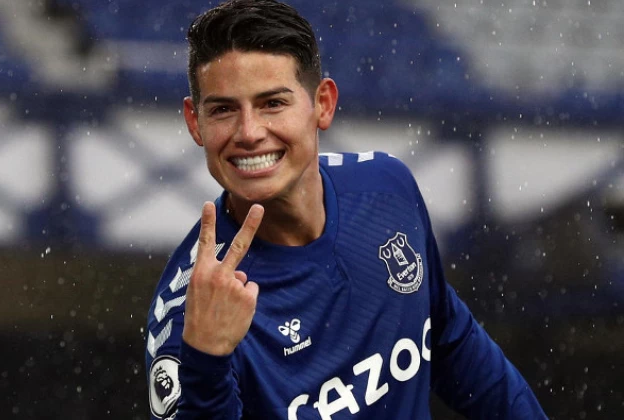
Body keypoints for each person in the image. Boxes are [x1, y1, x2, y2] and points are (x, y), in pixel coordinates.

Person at [145, 0, 547, 418]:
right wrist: (206, 361)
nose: (248, 132)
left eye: (272, 103)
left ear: (323, 103)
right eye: (223, 110)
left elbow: (452, 341)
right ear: (194, 122)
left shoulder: (386, 190)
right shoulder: (189, 314)